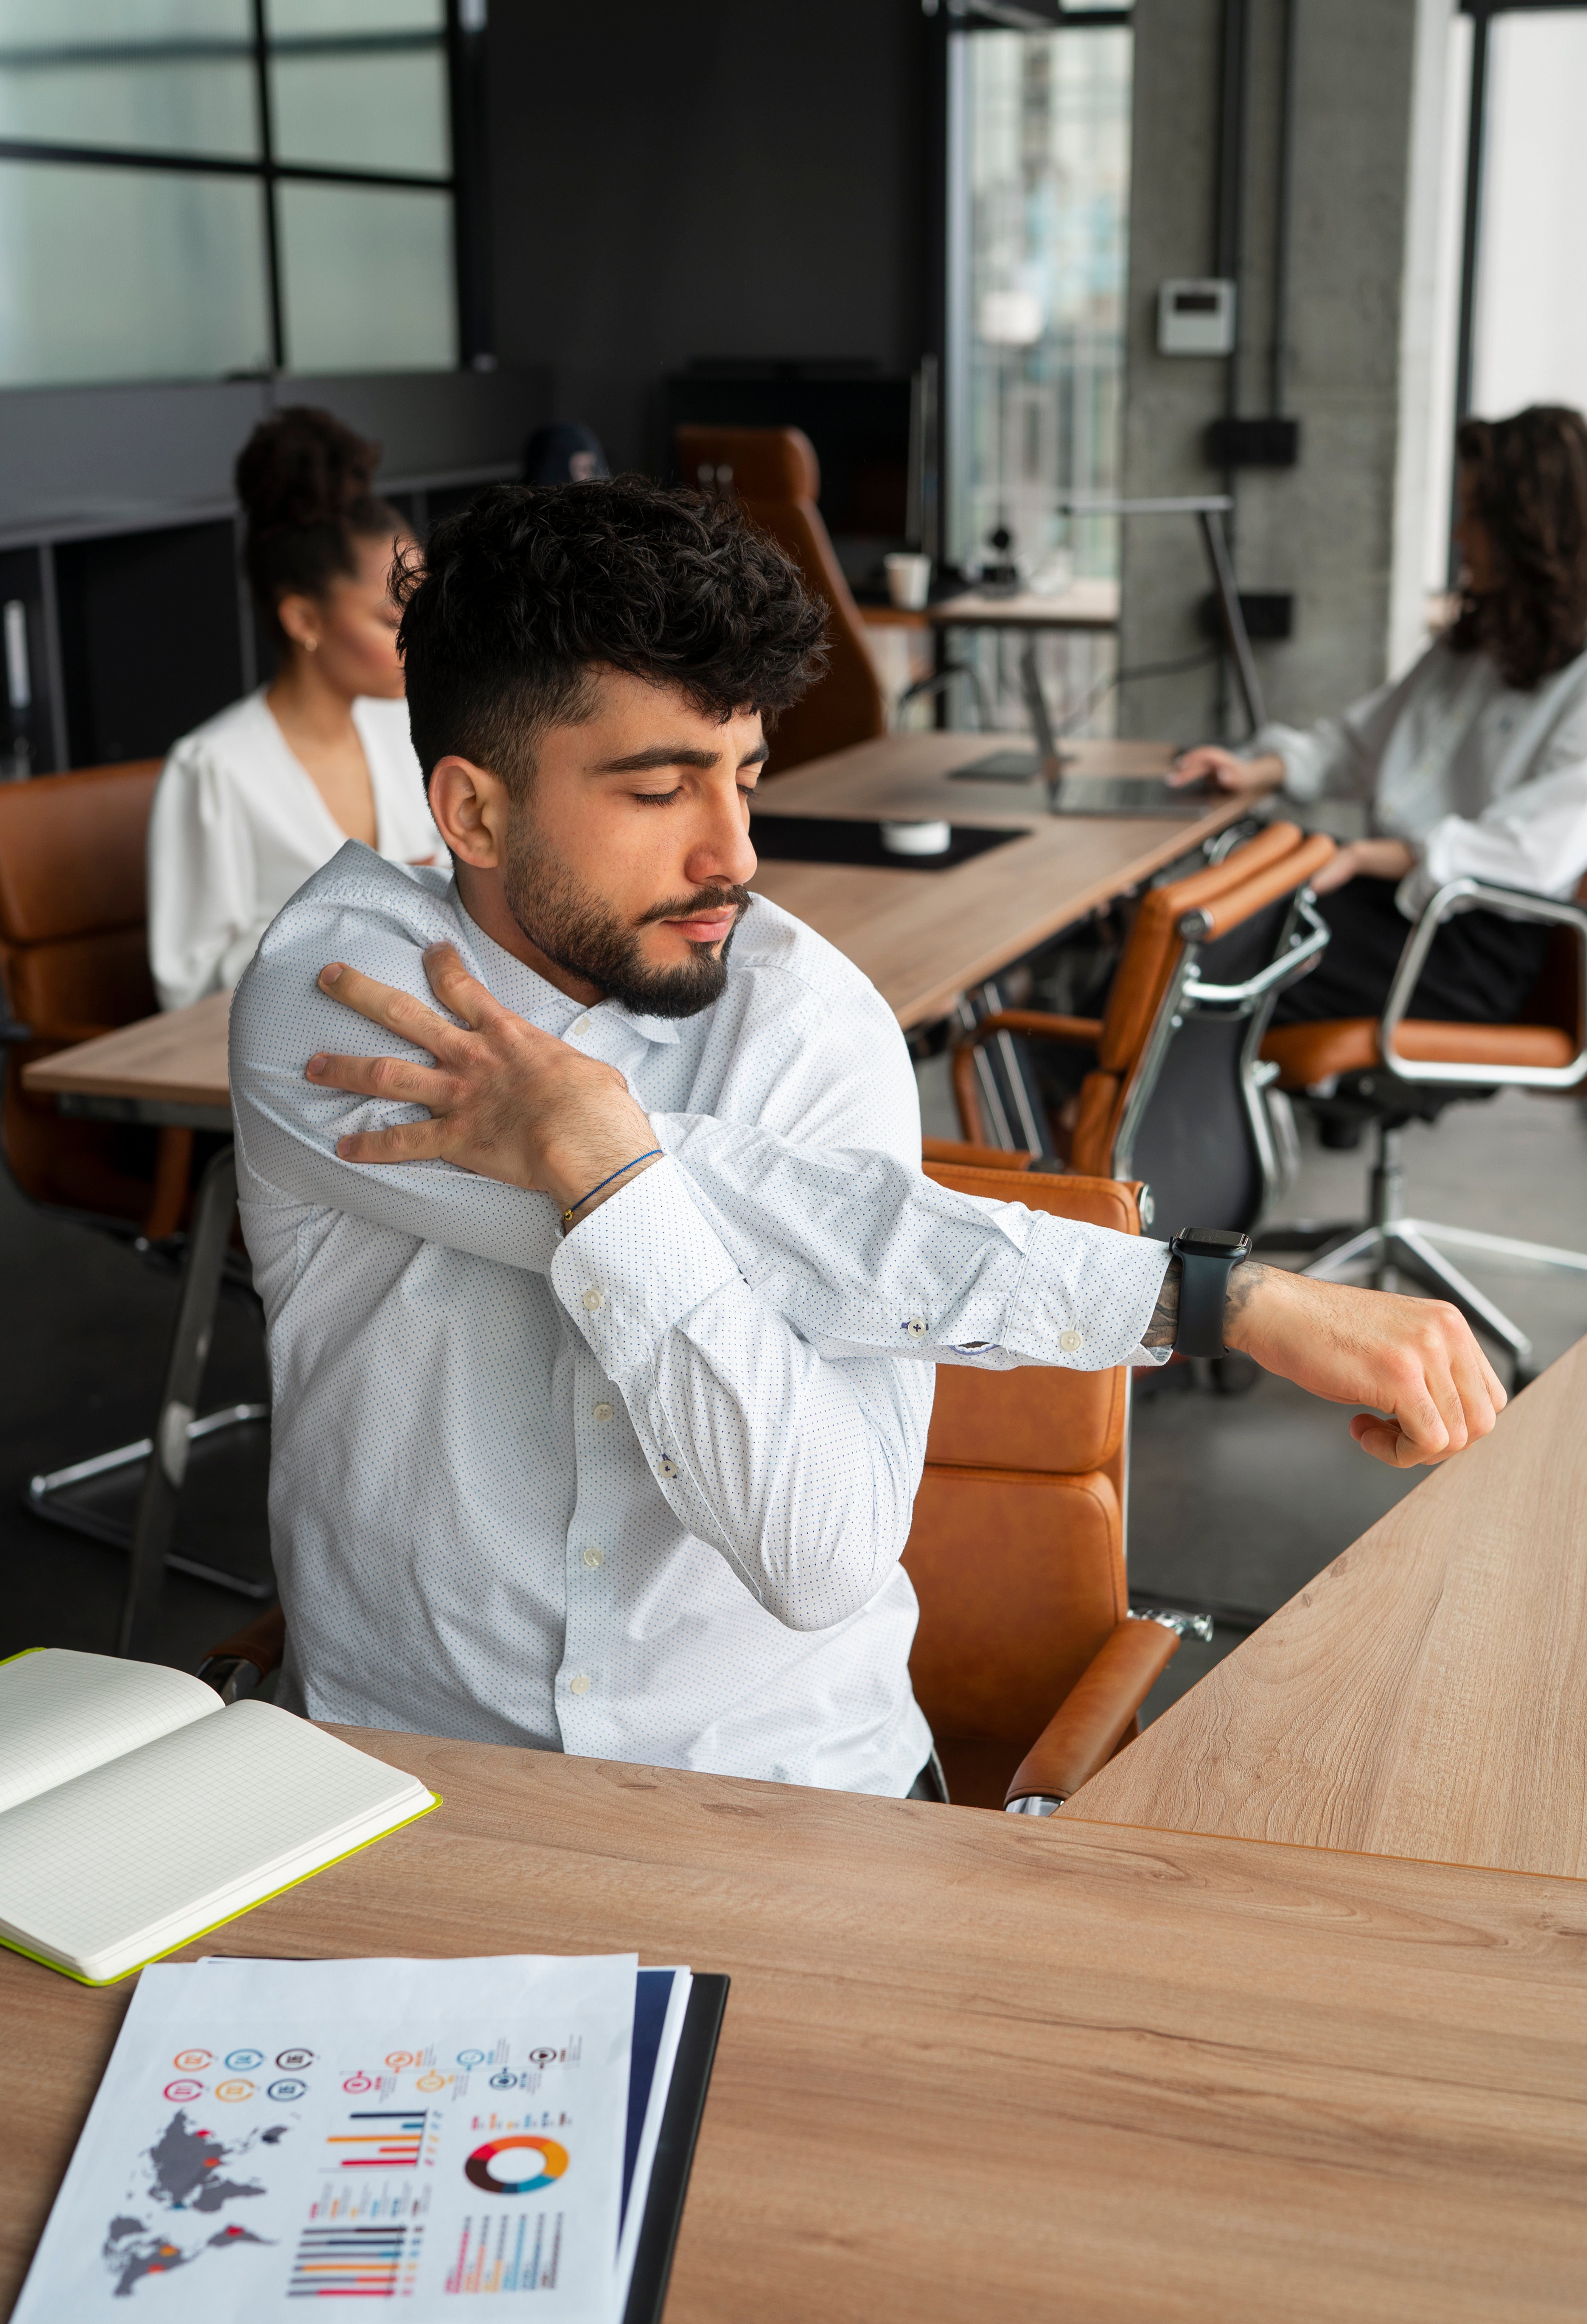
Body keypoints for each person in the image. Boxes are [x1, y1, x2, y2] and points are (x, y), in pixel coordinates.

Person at [229, 477, 1502, 1795]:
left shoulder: (815, 1023)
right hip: (410, 1785)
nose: (736, 852)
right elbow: (796, 1216)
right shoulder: (330, 1000)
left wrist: (604, 1169)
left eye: (747, 775)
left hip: (789, 1787)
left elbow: (822, 1553)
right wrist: (1205, 1295)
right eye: (662, 789)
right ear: (473, 812)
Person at [1170, 404, 1587, 1031]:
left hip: (1465, 947)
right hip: (1393, 909)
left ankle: (1074, 1102)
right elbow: (1360, 745)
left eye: (1475, 514)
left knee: (1215, 956)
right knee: (1199, 925)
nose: (1459, 536)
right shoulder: (1475, 645)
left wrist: (1370, 856)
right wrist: (1262, 769)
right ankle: (1075, 1102)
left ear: (1529, 528)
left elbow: (1532, 853)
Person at [147, 407, 447, 1010]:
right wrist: (360, 917)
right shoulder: (215, 768)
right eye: (393, 620)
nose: (420, 634)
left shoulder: (408, 727)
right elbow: (188, 987)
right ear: (303, 619)